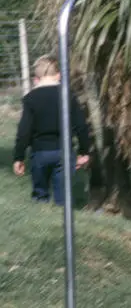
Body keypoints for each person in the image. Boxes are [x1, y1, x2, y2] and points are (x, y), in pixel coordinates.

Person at [13, 55, 90, 205]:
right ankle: (64, 222)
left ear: (37, 77)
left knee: (40, 194)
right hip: (64, 152)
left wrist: (19, 157)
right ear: (59, 74)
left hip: (40, 153)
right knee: (63, 196)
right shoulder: (68, 95)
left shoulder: (31, 98)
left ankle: (42, 219)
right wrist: (84, 151)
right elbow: (81, 126)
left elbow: (24, 131)